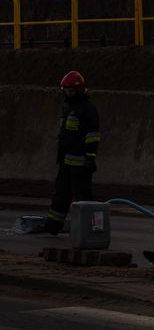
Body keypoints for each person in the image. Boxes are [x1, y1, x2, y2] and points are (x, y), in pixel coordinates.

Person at [44, 71, 101, 235]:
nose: (68, 94)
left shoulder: (88, 109)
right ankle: (53, 227)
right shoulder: (68, 108)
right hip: (65, 162)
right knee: (60, 195)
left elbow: (93, 136)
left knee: (83, 198)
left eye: (71, 91)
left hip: (81, 163)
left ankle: (89, 230)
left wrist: (90, 158)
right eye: (66, 91)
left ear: (79, 91)